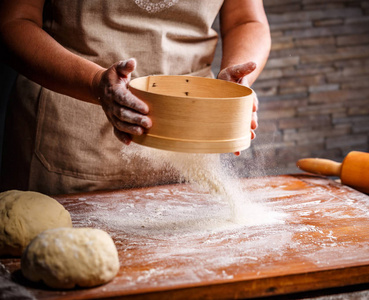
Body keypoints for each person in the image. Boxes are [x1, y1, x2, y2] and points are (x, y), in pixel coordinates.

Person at [0, 0, 271, 195]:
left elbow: (245, 19)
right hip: (69, 138)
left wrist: (235, 85)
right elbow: (15, 21)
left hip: (188, 137)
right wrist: (96, 83)